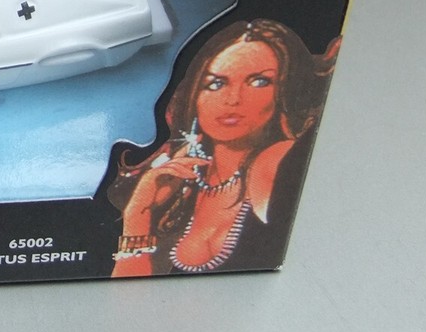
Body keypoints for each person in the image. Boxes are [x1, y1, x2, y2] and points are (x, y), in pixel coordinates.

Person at [110, 19, 339, 276]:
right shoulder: (174, 185)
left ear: (284, 92)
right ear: (195, 96)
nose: (232, 100)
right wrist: (138, 213)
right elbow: (132, 294)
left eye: (258, 82)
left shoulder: (277, 160)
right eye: (216, 84)